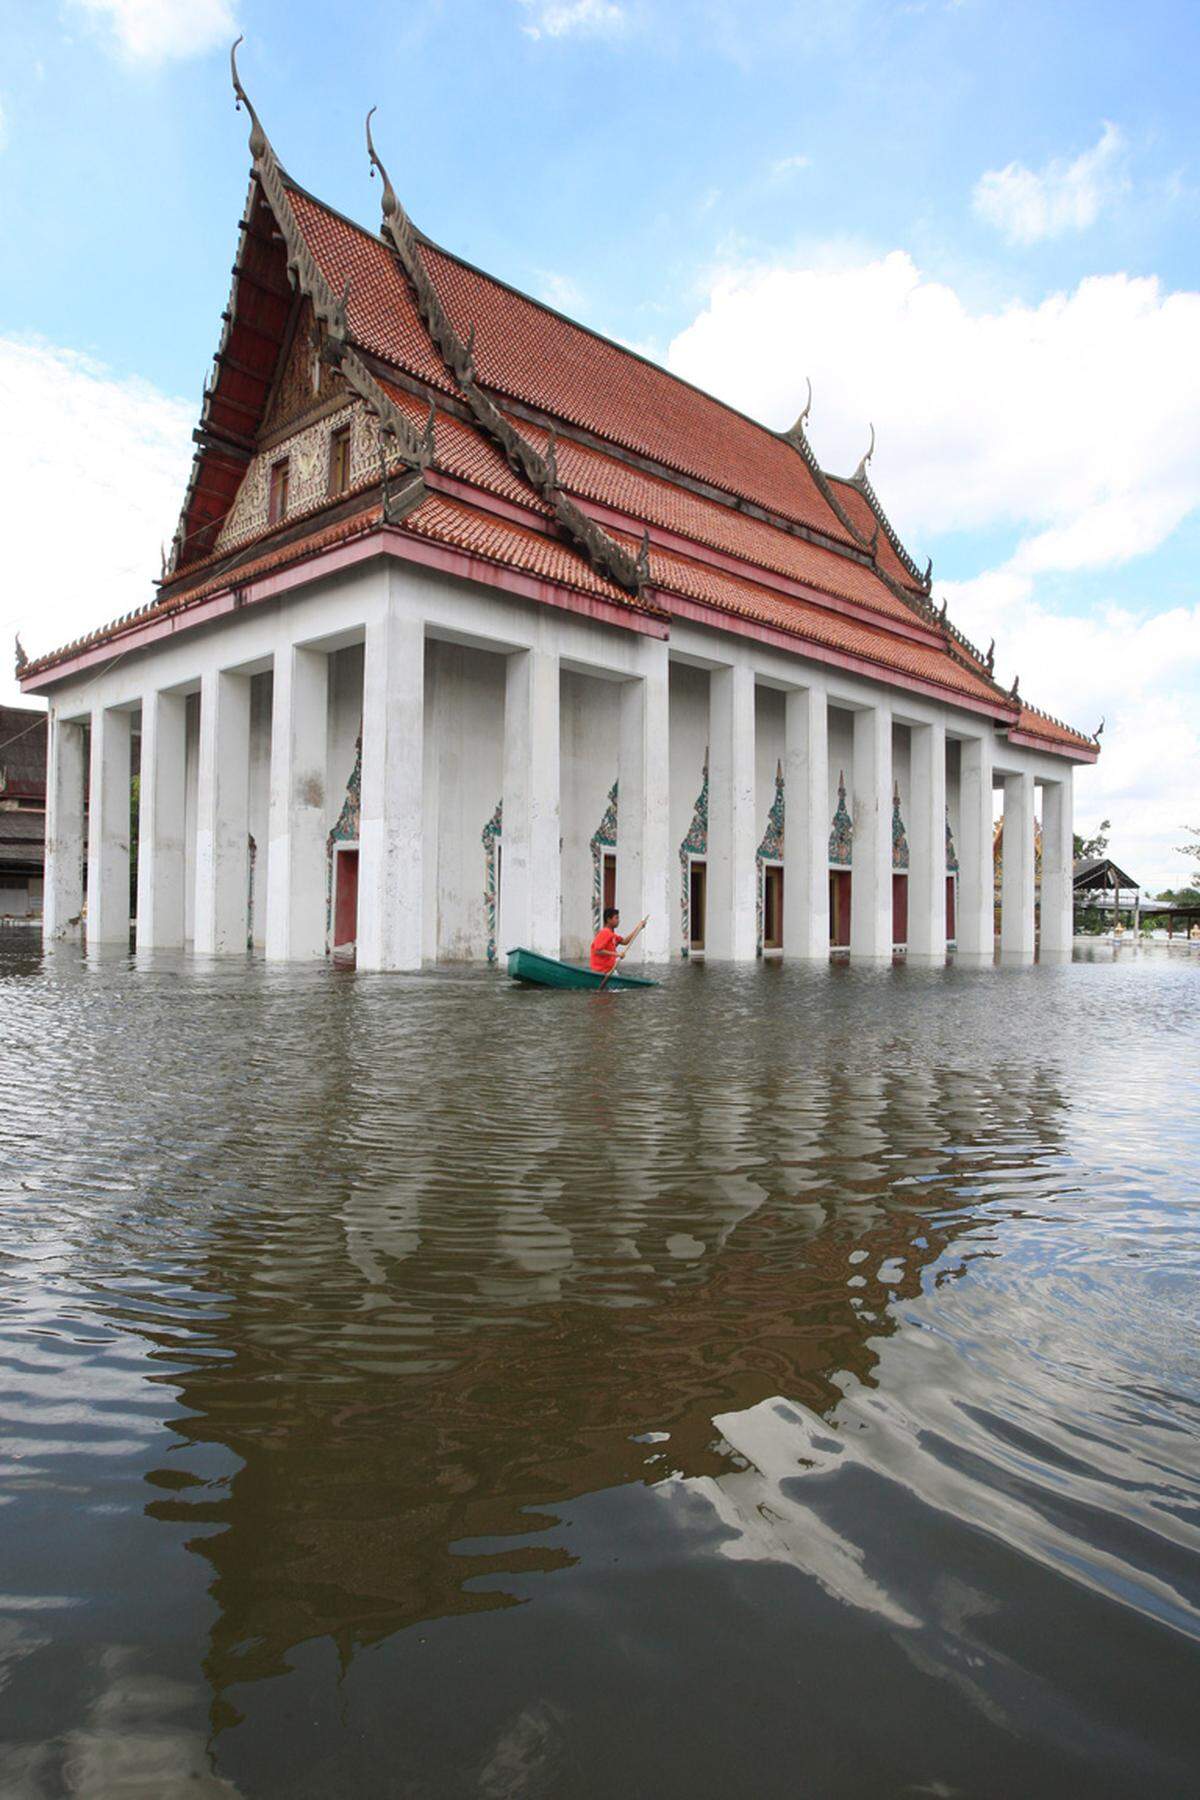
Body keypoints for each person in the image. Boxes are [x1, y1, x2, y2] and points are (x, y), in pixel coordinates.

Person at [590, 907, 634, 975]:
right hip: (600, 972)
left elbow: (625, 941)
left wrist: (638, 928)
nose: (618, 920)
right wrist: (617, 954)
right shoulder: (605, 933)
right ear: (608, 919)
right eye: (616, 918)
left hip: (609, 971)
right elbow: (598, 951)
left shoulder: (612, 935)